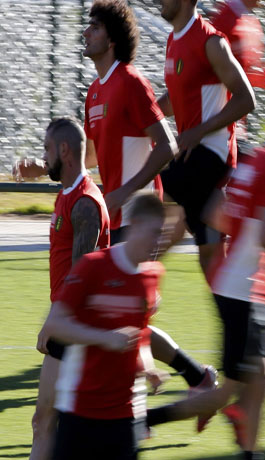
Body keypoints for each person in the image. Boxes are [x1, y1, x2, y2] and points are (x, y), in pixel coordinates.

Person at [16, 0, 216, 410]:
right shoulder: (95, 92)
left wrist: (126, 190)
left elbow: (167, 144)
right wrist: (45, 166)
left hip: (138, 216)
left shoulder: (130, 82)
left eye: (94, 27)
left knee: (119, 313)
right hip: (114, 215)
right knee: (117, 314)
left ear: (111, 36)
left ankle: (119, 401)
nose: (86, 33)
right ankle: (193, 377)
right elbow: (92, 155)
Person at [143, 99, 265, 460]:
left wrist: (246, 239)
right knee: (231, 390)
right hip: (243, 291)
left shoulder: (256, 161)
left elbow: (214, 214)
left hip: (237, 284)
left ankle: (249, 452)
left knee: (262, 376)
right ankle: (140, 421)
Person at [37, 192, 167, 460]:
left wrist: (149, 366)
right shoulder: (93, 267)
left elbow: (139, 334)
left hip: (125, 416)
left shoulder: (152, 275)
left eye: (160, 234)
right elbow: (55, 325)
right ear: (135, 226)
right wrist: (104, 338)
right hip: (81, 413)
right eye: (153, 233)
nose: (157, 242)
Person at [13, 118, 110, 460]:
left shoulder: (85, 204)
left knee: (60, 425)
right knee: (46, 421)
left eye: (47, 150)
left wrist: (52, 322)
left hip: (79, 327)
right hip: (69, 322)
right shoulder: (68, 193)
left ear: (64, 151)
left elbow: (80, 279)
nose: (44, 156)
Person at [155, 0, 256, 275]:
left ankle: (121, 275)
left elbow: (246, 99)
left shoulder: (211, 41)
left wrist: (200, 130)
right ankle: (249, 313)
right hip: (190, 153)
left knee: (148, 192)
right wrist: (142, 115)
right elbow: (175, 98)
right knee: (211, 256)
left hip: (211, 154)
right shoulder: (174, 40)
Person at [210, 0, 265, 152]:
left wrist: (258, 77)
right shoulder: (223, 20)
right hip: (216, 127)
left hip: (237, 128)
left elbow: (240, 74)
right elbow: (210, 71)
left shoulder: (253, 24)